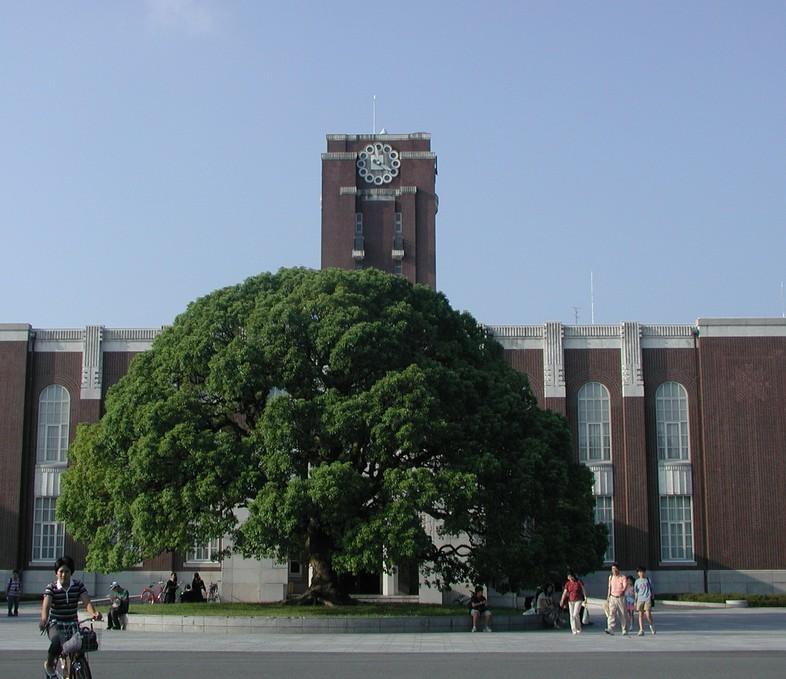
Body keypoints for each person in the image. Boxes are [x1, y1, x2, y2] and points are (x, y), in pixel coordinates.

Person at [39, 556, 102, 679]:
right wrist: (43, 620)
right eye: (61, 571)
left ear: (71, 572)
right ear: (56, 573)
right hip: (56, 624)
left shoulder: (78, 586)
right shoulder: (51, 588)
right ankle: (50, 664)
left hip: (72, 623)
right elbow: (46, 607)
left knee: (81, 644)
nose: (64, 575)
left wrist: (94, 613)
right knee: (57, 641)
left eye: (67, 571)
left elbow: (86, 602)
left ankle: (80, 669)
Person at [605, 562, 628, 635]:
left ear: (618, 569)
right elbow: (609, 588)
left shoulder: (622, 577)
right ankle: (610, 628)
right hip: (612, 597)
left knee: (623, 614)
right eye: (612, 569)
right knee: (611, 613)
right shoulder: (611, 577)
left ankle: (624, 629)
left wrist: (622, 591)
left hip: (620, 598)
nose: (613, 570)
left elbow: (625, 586)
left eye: (615, 569)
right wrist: (608, 598)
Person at [634, 566, 656, 636]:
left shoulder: (648, 580)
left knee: (648, 614)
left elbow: (652, 589)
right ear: (638, 573)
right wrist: (635, 601)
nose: (641, 573)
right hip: (640, 599)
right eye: (640, 572)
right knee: (640, 615)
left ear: (645, 572)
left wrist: (652, 597)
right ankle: (641, 630)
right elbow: (636, 592)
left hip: (647, 599)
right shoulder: (637, 581)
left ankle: (651, 625)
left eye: (642, 572)